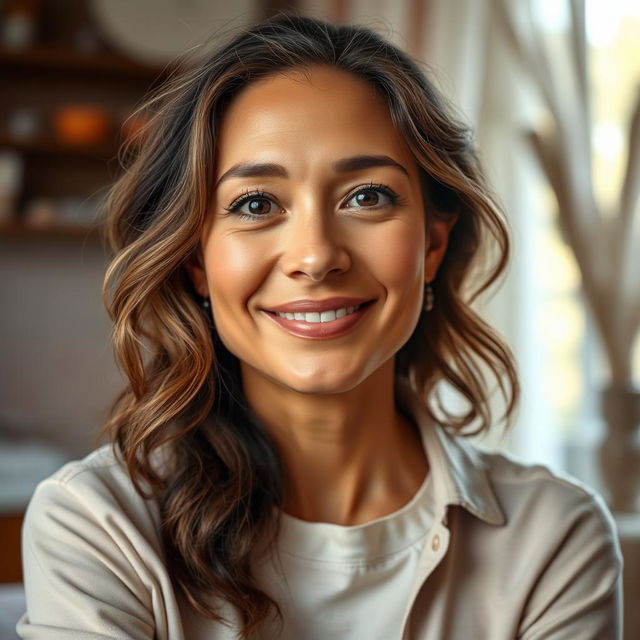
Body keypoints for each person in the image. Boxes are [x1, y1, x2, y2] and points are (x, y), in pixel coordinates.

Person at [17, 13, 622, 640]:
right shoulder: (97, 523)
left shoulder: (554, 538)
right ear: (196, 260)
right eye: (256, 205)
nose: (314, 256)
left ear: (432, 245)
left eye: (367, 196)